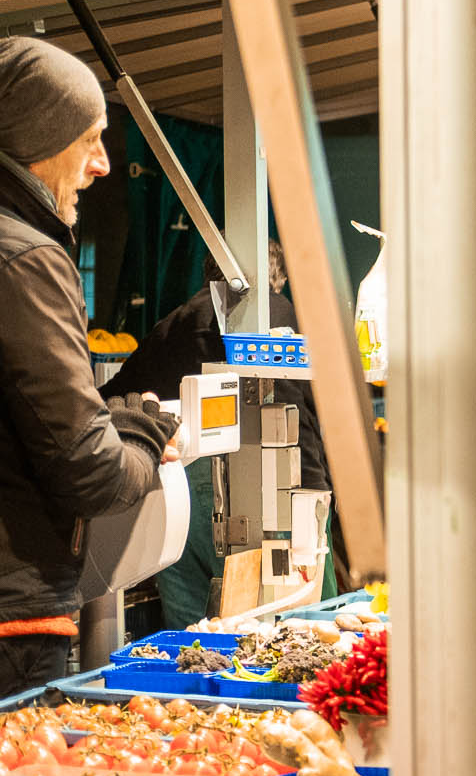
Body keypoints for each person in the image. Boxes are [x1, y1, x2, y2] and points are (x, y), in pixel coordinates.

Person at [0, 38, 182, 709]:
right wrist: (143, 429)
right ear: (35, 141)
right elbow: (92, 470)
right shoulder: (17, 256)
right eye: (90, 139)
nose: (102, 164)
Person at [102, 240, 330, 629]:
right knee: (282, 633)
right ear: (278, 276)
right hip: (273, 489)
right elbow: (321, 416)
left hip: (180, 491)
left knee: (192, 638)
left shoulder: (173, 323)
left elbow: (110, 398)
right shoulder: (287, 316)